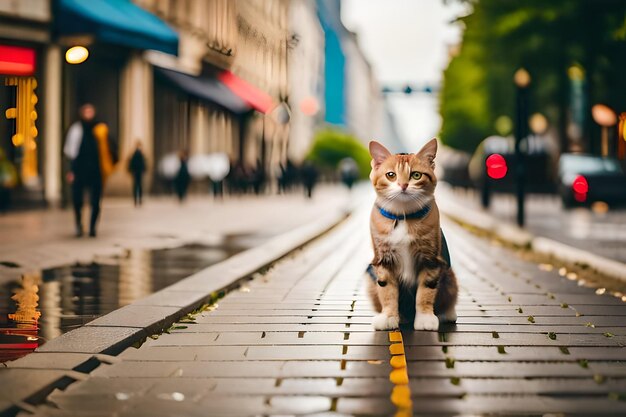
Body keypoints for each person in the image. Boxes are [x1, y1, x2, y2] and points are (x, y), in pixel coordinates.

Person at [64, 104, 114, 237]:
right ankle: (79, 225)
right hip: (79, 170)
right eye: (86, 111)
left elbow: (110, 149)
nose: (88, 114)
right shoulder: (76, 129)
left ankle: (92, 227)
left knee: (95, 201)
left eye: (90, 111)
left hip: (96, 171)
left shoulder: (100, 130)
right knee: (77, 200)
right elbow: (70, 152)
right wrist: (70, 171)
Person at [128, 141, 147, 206]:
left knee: (138, 186)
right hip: (137, 172)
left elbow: (143, 163)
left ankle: (138, 199)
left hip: (138, 172)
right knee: (137, 186)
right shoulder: (136, 154)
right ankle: (137, 200)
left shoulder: (139, 154)